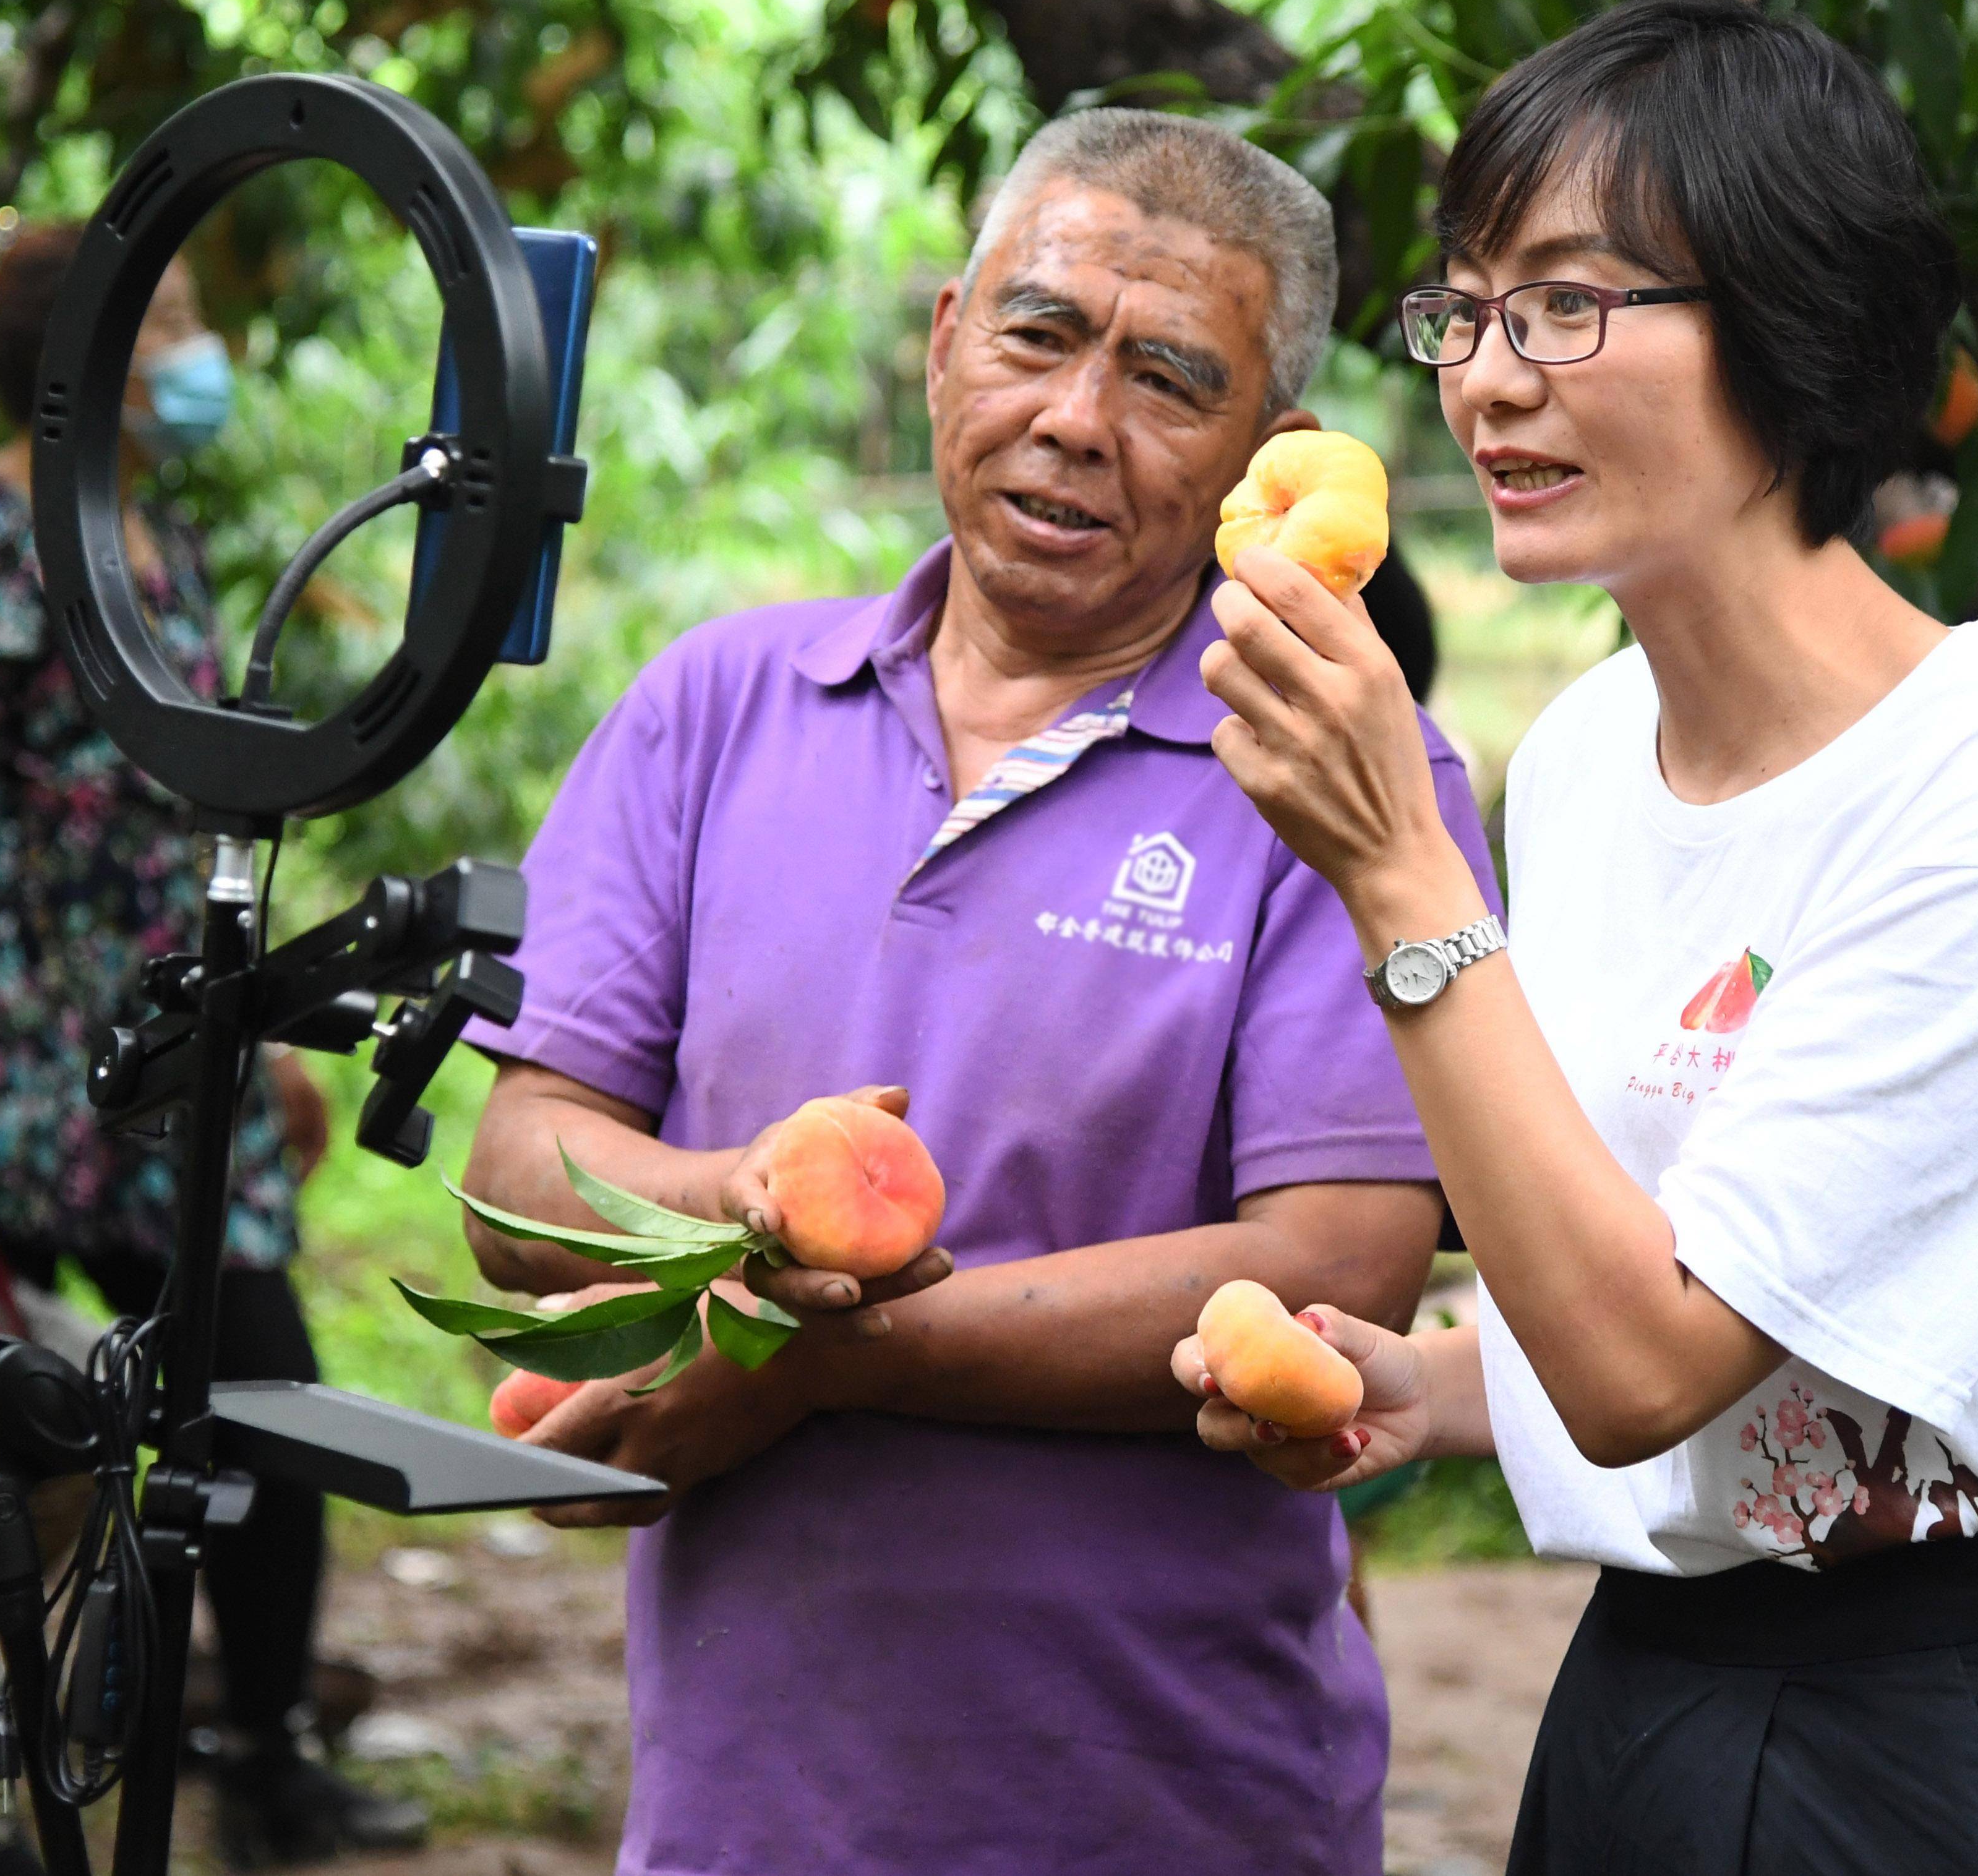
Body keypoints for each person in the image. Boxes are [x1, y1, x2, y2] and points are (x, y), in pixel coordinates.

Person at [1180, 0, 1978, 1873]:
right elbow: (1646, 1268)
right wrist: (1419, 1382)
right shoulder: (1589, 752)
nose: (1491, 377)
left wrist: (1402, 878)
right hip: (1643, 1703)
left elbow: (1647, 1359)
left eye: (1571, 303)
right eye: (1470, 310)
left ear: (1794, 326)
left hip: (1944, 1748)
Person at [456, 108, 1496, 1876]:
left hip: (1172, 1811)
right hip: (742, 1819)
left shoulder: (1335, 768)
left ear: (1272, 451)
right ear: (945, 337)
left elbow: (1335, 1267)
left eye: (1169, 377)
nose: (1077, 420)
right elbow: (515, 1169)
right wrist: (749, 1201)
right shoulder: (718, 706)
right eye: (1035, 333)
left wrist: (807, 1366)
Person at [0, 200, 423, 1874]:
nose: (201, 349)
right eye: (176, 316)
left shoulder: (154, 535)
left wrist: (258, 1020)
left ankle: (264, 1749)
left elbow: (201, 813)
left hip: (142, 1033)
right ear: (96, 356)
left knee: (256, 1377)